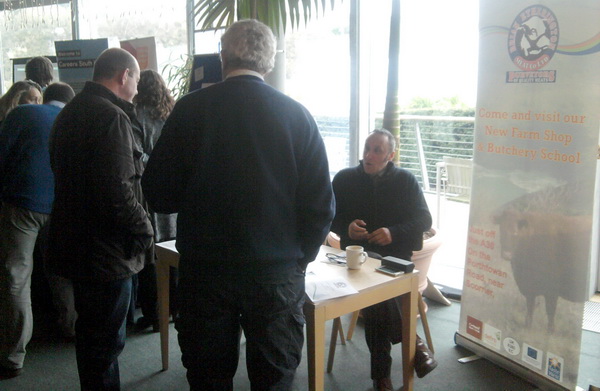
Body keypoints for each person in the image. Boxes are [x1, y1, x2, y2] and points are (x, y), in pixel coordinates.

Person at [142, 19, 335, 391]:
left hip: (205, 272)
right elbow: (321, 205)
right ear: (270, 62)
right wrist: (299, 259)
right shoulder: (298, 116)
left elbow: (159, 192)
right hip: (276, 273)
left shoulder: (190, 111)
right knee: (274, 378)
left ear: (222, 57)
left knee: (208, 376)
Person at [47, 48, 154, 390]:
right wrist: (146, 228)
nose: (137, 88)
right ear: (124, 75)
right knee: (105, 346)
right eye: (136, 78)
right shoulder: (112, 117)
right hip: (106, 252)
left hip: (76, 244)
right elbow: (117, 192)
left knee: (91, 340)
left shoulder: (69, 112)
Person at [330, 128, 438, 391]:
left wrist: (393, 232)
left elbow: (425, 220)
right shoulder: (344, 179)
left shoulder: (406, 180)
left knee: (377, 301)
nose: (368, 154)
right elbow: (327, 215)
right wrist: (347, 228)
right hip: (355, 259)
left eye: (376, 150)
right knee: (379, 296)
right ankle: (414, 343)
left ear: (390, 155)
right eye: (367, 148)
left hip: (395, 258)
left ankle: (382, 379)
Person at [0, 82, 75, 380]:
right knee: (60, 269)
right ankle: (71, 326)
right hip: (62, 206)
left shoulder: (23, 114)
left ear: (46, 98)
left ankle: (13, 354)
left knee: (17, 275)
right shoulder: (75, 120)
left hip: (23, 204)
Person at [130, 69, 177, 332]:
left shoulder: (136, 116)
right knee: (173, 252)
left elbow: (137, 155)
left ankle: (155, 314)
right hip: (174, 193)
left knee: (152, 256)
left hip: (148, 194)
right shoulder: (172, 113)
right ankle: (175, 308)